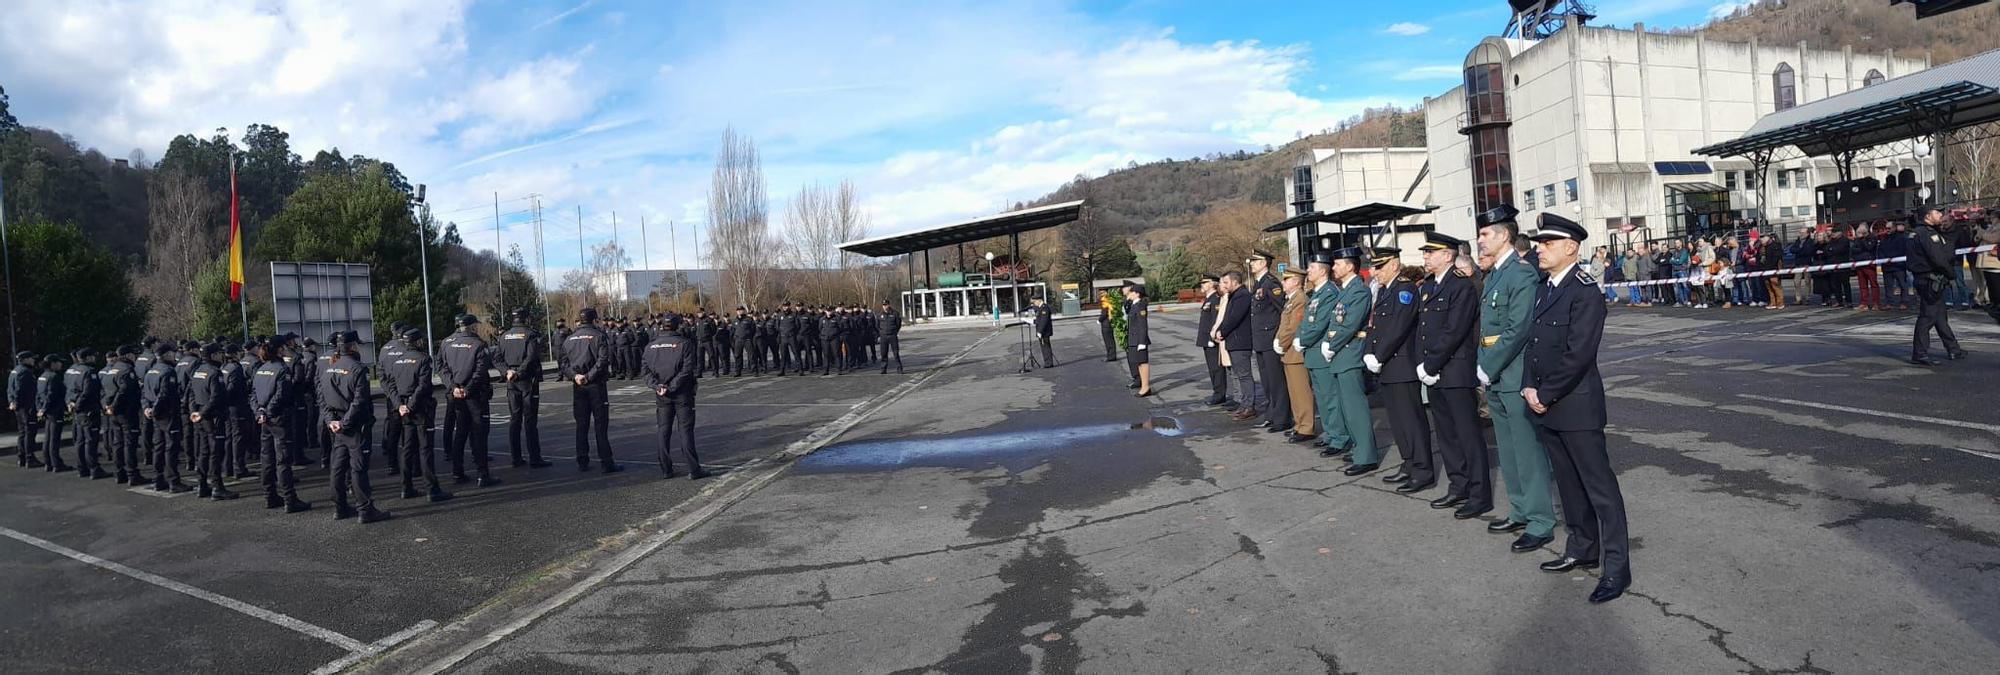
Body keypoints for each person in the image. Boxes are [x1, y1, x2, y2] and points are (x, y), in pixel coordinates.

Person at [1523, 213, 1629, 604]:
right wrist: (1527, 387)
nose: (1539, 249)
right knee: (1568, 487)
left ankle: (1616, 569)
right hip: (1547, 404)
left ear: (1571, 247)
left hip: (1576, 407)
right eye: (1539, 243)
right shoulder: (1543, 287)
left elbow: (1578, 354)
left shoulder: (1584, 291)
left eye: (1547, 243)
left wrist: (1543, 393)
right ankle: (1582, 548)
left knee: (1600, 490)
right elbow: (1533, 346)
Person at [1473, 205, 1556, 551]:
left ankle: (1540, 520)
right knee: (1508, 450)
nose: (1479, 240)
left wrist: (1488, 365)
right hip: (1497, 376)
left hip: (1513, 373)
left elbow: (1517, 329)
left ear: (1503, 234)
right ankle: (1520, 510)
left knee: (1527, 451)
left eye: (1485, 234)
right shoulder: (1494, 274)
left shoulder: (1520, 274)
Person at [1417, 232, 1490, 520]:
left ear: (1447, 255)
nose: (1425, 257)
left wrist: (1431, 365)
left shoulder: (1461, 287)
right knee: (1446, 434)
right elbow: (1424, 331)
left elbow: (1455, 330)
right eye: (1425, 253)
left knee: (1467, 434)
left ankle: (1479, 494)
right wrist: (1423, 365)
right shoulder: (1429, 286)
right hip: (1434, 372)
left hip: (1455, 370)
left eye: (1430, 253)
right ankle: (1458, 485)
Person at [1366, 248, 1435, 492]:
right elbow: (1375, 325)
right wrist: (1369, 350)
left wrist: (1380, 354)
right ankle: (1408, 463)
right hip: (1387, 366)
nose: (1376, 272)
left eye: (1380, 266)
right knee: (1397, 420)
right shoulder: (1385, 290)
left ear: (1394, 265)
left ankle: (1423, 469)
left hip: (1402, 363)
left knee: (1411, 419)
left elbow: (1399, 327)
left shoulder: (1404, 290)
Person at [1316, 247, 1378, 474]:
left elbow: (1350, 324)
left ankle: (1366, 455)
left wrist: (1330, 345)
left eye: (1338, 264)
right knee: (1347, 407)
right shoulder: (1346, 290)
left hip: (1350, 353)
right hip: (1341, 355)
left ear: (1350, 266)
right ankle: (1358, 447)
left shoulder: (1359, 291)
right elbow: (1336, 322)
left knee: (1355, 408)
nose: (1334, 268)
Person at [320, 331, 391, 523]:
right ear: (352, 347)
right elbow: (359, 402)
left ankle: (340, 508)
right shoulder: (359, 369)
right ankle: (365, 510)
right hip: (354, 426)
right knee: (358, 468)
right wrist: (344, 423)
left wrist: (331, 422)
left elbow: (323, 400)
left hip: (337, 425)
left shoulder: (329, 369)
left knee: (338, 468)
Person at [387, 328, 452, 502]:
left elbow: (390, 386)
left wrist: (400, 405)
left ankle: (406, 487)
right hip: (420, 410)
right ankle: (432, 489)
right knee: (425, 450)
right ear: (418, 342)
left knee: (407, 449)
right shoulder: (423, 359)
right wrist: (410, 405)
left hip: (404, 410)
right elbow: (423, 386)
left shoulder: (397, 360)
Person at [643, 314, 708, 480]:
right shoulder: (684, 344)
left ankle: (666, 469)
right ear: (678, 326)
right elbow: (687, 370)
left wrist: (659, 386)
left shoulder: (650, 346)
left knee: (663, 430)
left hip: (662, 394)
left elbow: (646, 372)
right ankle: (694, 469)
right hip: (682, 394)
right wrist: (671, 386)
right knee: (685, 431)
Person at [439, 314, 501, 487]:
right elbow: (481, 371)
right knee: (479, 434)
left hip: (457, 394)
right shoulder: (479, 344)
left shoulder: (446, 343)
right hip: (474, 395)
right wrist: (467, 389)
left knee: (460, 433)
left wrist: (453, 387)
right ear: (472, 327)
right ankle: (483, 474)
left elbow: (441, 367)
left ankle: (457, 472)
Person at [250, 340, 310, 512]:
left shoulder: (261, 369)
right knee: (283, 461)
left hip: (265, 420)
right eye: (283, 347)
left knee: (267, 459)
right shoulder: (282, 370)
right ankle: (290, 500)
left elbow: (253, 395)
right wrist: (267, 412)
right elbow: (281, 395)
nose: (286, 350)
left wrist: (259, 413)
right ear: (278, 350)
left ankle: (270, 496)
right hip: (278, 420)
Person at [564, 308, 623, 471]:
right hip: (595, 385)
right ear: (594, 319)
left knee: (581, 425)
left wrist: (575, 376)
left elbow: (563, 363)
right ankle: (606, 462)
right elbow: (603, 360)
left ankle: (582, 460)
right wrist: (588, 376)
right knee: (600, 425)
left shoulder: (570, 338)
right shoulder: (599, 336)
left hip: (578, 385)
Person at [1907, 210, 1967, 366]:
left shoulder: (1917, 232)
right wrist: (1950, 273)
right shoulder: (1927, 234)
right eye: (1937, 214)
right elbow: (1937, 258)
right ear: (1927, 216)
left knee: (1939, 316)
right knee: (1927, 316)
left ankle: (1953, 349)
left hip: (1926, 279)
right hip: (1930, 279)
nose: (1940, 216)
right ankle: (1919, 353)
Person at [498, 308, 552, 469]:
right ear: (526, 318)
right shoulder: (530, 334)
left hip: (511, 380)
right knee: (529, 420)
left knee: (514, 419)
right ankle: (535, 458)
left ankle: (516, 457)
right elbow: (531, 356)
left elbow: (497, 357)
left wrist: (507, 372)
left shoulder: (504, 336)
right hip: (527, 379)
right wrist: (519, 373)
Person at [1247, 250, 1291, 434]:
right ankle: (1272, 415)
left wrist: (1279, 337)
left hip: (1271, 338)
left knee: (1276, 381)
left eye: (1255, 261)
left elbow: (1282, 310)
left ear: (1264, 263)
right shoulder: (1259, 283)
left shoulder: (1271, 283)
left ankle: (1282, 418)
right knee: (1266, 381)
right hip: (1260, 340)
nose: (1251, 264)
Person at [186, 344, 238, 500]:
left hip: (201, 416)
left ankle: (202, 485)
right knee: (216, 453)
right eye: (220, 353)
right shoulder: (215, 373)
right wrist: (202, 413)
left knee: (204, 451)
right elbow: (216, 397)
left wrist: (195, 412)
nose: (222, 356)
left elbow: (191, 395)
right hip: (213, 417)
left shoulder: (197, 371)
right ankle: (217, 487)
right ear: (214, 355)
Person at [1275, 266, 1318, 444]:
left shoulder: (1300, 299)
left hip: (1296, 353)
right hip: (1289, 352)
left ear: (1295, 281)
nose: (1283, 283)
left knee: (1302, 392)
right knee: (1294, 392)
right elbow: (1284, 324)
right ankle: (1299, 424)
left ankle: (1306, 427)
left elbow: (1294, 326)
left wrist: (1281, 342)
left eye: (1286, 279)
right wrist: (1278, 339)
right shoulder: (1291, 299)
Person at [142, 345, 188, 492]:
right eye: (173, 353)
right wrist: (155, 409)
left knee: (159, 447)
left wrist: (148, 409)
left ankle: (159, 479)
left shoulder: (150, 371)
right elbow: (164, 394)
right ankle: (173, 481)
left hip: (155, 415)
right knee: (170, 449)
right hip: (167, 414)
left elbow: (145, 393)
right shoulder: (168, 372)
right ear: (167, 354)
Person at [1214, 271, 1259, 421]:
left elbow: (1234, 318)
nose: (1224, 286)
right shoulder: (1234, 295)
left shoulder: (1242, 295)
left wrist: (1222, 331)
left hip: (1241, 342)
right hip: (1234, 341)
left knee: (1244, 375)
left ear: (1235, 282)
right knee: (1240, 375)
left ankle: (1249, 406)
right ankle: (1244, 405)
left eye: (1226, 283)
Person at [65, 348, 111, 480]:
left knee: (80, 440)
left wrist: (71, 403)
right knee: (91, 440)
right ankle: (94, 469)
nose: (94, 359)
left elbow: (67, 389)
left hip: (76, 409)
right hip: (88, 410)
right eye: (92, 356)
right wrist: (79, 405)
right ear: (87, 358)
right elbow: (88, 392)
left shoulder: (70, 370)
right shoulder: (89, 372)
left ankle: (82, 468)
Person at [101, 347, 144, 484]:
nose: (135, 357)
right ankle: (132, 474)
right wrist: (114, 406)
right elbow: (124, 391)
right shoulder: (126, 370)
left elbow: (103, 390)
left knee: (118, 443)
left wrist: (107, 406)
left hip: (113, 413)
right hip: (126, 412)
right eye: (134, 354)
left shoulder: (111, 370)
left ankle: (119, 473)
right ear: (128, 355)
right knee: (129, 444)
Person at [36, 355, 74, 473]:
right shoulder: (54, 377)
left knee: (48, 437)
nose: (61, 365)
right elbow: (51, 395)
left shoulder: (42, 376)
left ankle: (48, 462)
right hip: (54, 410)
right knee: (54, 439)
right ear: (53, 364)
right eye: (59, 362)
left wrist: (40, 409)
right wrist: (45, 408)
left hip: (46, 410)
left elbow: (38, 395)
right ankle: (56, 463)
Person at [1195, 276, 1226, 406]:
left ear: (1212, 284)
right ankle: (1217, 391)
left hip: (1211, 340)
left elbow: (1215, 320)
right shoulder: (1208, 299)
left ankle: (1219, 394)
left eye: (1204, 283)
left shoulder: (1215, 299)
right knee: (1212, 368)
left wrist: (1211, 339)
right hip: (1206, 339)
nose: (1202, 285)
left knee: (1216, 368)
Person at [10, 352, 44, 469]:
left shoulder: (15, 370)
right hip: (26, 406)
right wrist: (17, 401)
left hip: (18, 407)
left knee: (22, 432)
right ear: (25, 360)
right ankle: (30, 458)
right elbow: (20, 390)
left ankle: (22, 457)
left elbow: (10, 388)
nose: (33, 361)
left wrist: (12, 402)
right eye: (31, 359)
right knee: (29, 432)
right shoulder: (26, 372)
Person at [1124, 282, 1152, 396]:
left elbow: (1142, 325)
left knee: (1143, 362)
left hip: (1139, 340)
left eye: (1131, 292)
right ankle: (1144, 386)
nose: (1128, 294)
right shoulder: (1134, 305)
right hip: (1133, 339)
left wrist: (1142, 342)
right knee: (1138, 363)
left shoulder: (1140, 305)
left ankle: (1145, 387)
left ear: (1137, 294)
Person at [877, 302, 904, 374]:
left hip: (892, 336)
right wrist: (881, 333)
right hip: (883, 336)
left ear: (889, 305)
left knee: (895, 353)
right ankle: (883, 369)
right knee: (883, 353)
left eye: (886, 305)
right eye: (883, 305)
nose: (885, 306)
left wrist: (895, 332)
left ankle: (899, 368)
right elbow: (877, 325)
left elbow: (898, 324)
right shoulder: (880, 314)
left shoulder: (895, 313)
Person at [1031, 297, 1055, 367]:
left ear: (1039, 300)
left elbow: (1043, 321)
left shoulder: (1044, 308)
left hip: (1045, 331)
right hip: (1042, 331)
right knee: (1043, 347)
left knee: (1046, 347)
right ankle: (1047, 362)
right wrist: (1032, 321)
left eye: (1035, 302)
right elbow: (1039, 319)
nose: (1034, 304)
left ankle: (1049, 363)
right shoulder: (1039, 308)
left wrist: (1040, 331)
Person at [1096, 291, 1118, 362]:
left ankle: (1111, 356)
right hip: (1109, 323)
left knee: (1108, 341)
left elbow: (1104, 314)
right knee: (1110, 340)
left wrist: (1099, 320)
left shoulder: (1105, 302)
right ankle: (1111, 355)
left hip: (1106, 324)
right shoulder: (1108, 301)